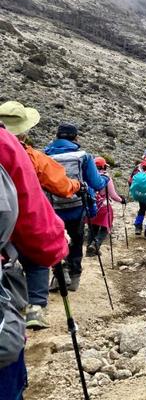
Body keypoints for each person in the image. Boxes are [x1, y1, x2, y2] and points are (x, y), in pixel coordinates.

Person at [0, 126, 68, 398]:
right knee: (38, 263)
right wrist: (56, 249)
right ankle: (35, 310)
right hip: (32, 226)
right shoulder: (11, 146)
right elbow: (53, 191)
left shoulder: (47, 152)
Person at [0, 102, 80, 329]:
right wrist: (76, 186)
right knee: (36, 260)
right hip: (25, 221)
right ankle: (35, 307)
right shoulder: (28, 155)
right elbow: (62, 186)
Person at [45, 123, 108, 292]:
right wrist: (105, 180)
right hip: (77, 206)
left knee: (56, 239)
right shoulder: (83, 156)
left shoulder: (44, 156)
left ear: (57, 136)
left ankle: (60, 273)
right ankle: (74, 278)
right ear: (75, 138)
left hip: (52, 207)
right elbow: (96, 183)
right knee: (77, 239)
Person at [86, 157, 126, 257]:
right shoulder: (106, 178)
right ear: (104, 166)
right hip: (103, 206)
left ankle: (89, 249)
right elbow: (113, 195)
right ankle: (95, 245)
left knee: (93, 227)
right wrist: (121, 200)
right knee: (106, 226)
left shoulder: (87, 176)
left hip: (91, 205)